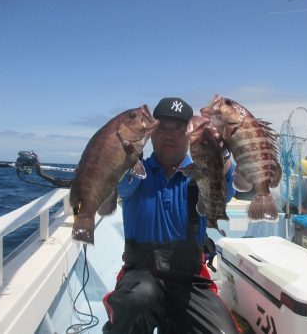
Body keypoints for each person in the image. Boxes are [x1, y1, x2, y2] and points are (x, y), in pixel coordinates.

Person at [102, 97, 240, 334]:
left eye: (178, 129)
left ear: (190, 135)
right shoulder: (137, 171)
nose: (169, 135)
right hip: (140, 272)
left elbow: (225, 190)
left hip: (190, 278)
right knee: (136, 300)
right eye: (162, 128)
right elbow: (121, 185)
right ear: (151, 133)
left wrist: (222, 153)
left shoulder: (203, 174)